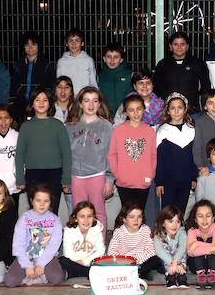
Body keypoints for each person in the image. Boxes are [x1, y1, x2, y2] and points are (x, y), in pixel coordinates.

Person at [13, 88, 72, 215]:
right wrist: (20, 179)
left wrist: (66, 179)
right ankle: (36, 235)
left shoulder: (58, 125)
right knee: (35, 211)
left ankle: (51, 235)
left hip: (55, 174)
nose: (41, 103)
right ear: (32, 103)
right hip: (33, 175)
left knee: (52, 210)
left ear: (50, 103)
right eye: (37, 100)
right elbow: (19, 154)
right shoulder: (26, 126)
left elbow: (66, 153)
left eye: (45, 100)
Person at [68, 87, 114, 225]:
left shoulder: (106, 126)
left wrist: (109, 179)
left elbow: (111, 155)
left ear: (99, 104)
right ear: (80, 104)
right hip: (76, 176)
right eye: (86, 101)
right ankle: (82, 244)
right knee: (79, 212)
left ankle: (99, 245)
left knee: (98, 212)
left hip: (97, 175)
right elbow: (66, 154)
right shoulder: (70, 126)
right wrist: (66, 177)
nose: (91, 105)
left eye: (95, 101)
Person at [108, 93, 156, 216]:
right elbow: (112, 155)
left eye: (139, 109)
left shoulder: (149, 131)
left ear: (144, 109)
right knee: (128, 214)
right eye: (131, 110)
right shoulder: (118, 131)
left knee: (140, 213)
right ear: (125, 112)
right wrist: (118, 175)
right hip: (124, 181)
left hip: (143, 181)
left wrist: (150, 175)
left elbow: (153, 155)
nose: (136, 113)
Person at [6, 185, 65, 287]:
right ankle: (35, 275)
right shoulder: (24, 219)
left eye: (46, 201)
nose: (42, 204)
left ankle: (53, 272)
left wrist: (41, 263)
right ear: (32, 201)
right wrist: (27, 265)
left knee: (56, 278)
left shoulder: (55, 220)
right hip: (26, 256)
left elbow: (53, 245)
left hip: (46, 257)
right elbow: (18, 244)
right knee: (10, 281)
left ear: (50, 202)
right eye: (38, 200)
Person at [155, 93, 197, 214]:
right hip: (168, 180)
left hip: (185, 179)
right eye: (173, 108)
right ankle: (164, 232)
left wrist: (193, 177)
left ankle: (178, 232)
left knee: (180, 211)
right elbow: (159, 159)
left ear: (185, 109)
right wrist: (159, 182)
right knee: (167, 212)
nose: (176, 111)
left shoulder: (191, 129)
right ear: (168, 111)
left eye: (180, 107)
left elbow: (193, 157)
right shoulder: (163, 131)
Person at [153, 31, 210, 111]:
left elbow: (205, 87)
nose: (179, 47)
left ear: (187, 46)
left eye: (182, 44)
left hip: (192, 111)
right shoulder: (163, 64)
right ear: (170, 46)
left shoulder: (197, 63)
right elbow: (156, 88)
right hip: (169, 112)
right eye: (175, 44)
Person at [106, 201, 156, 281]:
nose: (136, 220)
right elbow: (111, 252)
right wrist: (125, 261)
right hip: (124, 263)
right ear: (124, 219)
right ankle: (136, 273)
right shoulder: (119, 231)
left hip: (141, 261)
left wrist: (134, 260)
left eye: (139, 217)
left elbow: (151, 251)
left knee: (156, 258)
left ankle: (139, 272)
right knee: (110, 261)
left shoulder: (145, 230)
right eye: (132, 217)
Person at [11, 31, 55, 121]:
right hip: (20, 103)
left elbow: (50, 86)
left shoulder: (46, 65)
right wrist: (12, 101)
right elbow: (13, 85)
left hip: (39, 103)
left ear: (39, 46)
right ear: (23, 47)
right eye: (27, 44)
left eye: (34, 44)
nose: (30, 47)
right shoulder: (18, 64)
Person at [60, 200, 106, 281]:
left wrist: (85, 262)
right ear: (76, 218)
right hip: (74, 260)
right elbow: (67, 252)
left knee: (104, 260)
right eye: (82, 216)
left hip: (91, 261)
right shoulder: (69, 230)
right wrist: (78, 261)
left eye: (89, 216)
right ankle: (88, 273)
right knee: (62, 260)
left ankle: (75, 273)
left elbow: (100, 251)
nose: (86, 220)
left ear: (94, 217)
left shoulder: (97, 229)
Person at [185, 199, 215, 290]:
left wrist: (197, 244)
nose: (204, 220)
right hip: (196, 266)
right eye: (200, 216)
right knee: (206, 242)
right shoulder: (192, 230)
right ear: (195, 218)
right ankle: (201, 275)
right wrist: (212, 248)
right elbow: (191, 252)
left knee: (209, 240)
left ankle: (211, 274)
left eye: (208, 216)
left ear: (213, 218)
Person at [151, 205, 187, 288]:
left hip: (179, 261)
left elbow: (182, 248)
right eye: (171, 221)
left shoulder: (182, 232)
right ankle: (170, 275)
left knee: (182, 248)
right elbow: (159, 251)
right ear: (163, 223)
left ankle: (181, 273)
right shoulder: (158, 235)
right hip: (165, 262)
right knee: (164, 248)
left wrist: (176, 262)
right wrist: (172, 263)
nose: (174, 225)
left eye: (177, 221)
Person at [98, 43, 134, 120]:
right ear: (104, 58)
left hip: (126, 117)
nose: (112, 60)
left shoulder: (130, 75)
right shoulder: (99, 76)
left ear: (121, 59)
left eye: (116, 57)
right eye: (109, 57)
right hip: (105, 116)